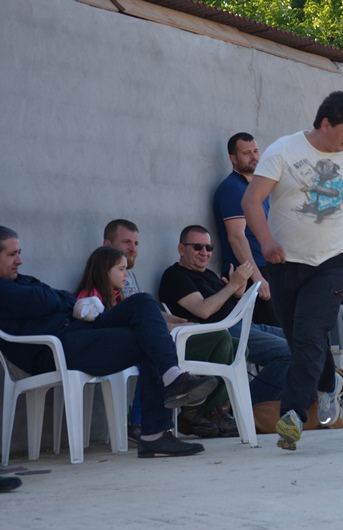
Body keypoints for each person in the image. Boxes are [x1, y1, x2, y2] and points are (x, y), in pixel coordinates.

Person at [0, 226, 218, 458]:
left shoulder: (20, 281)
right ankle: (156, 431)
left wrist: (59, 300)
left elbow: (60, 297)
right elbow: (46, 298)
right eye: (12, 254)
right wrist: (60, 301)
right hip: (56, 350)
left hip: (79, 331)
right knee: (149, 339)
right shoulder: (7, 289)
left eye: (19, 252)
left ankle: (172, 378)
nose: (20, 260)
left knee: (143, 302)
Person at [242, 90, 343, 451]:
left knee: (307, 334)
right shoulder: (284, 150)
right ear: (325, 123)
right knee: (302, 339)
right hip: (284, 263)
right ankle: (329, 382)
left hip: (330, 263)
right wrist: (267, 242)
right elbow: (251, 200)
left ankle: (292, 416)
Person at [104, 220, 238, 439]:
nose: (133, 248)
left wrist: (179, 320)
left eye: (136, 243)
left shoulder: (129, 277)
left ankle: (211, 410)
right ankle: (149, 420)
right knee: (217, 338)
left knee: (235, 344)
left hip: (153, 338)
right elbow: (131, 319)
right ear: (106, 244)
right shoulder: (103, 280)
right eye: (126, 242)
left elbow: (148, 313)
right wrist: (177, 326)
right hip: (125, 342)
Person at [158, 225, 291, 406]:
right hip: (219, 332)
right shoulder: (175, 276)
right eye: (197, 247)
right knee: (287, 353)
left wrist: (237, 292)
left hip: (244, 324)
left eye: (209, 248)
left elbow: (224, 305)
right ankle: (243, 406)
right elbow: (203, 310)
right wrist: (231, 286)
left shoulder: (209, 274)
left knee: (301, 339)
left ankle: (308, 398)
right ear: (181, 249)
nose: (204, 252)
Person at [213, 132, 279, 326]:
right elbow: (236, 237)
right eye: (246, 153)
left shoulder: (257, 189)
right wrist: (258, 280)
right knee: (271, 337)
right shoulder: (232, 189)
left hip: (267, 270)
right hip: (248, 277)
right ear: (233, 158)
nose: (254, 157)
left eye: (256, 151)